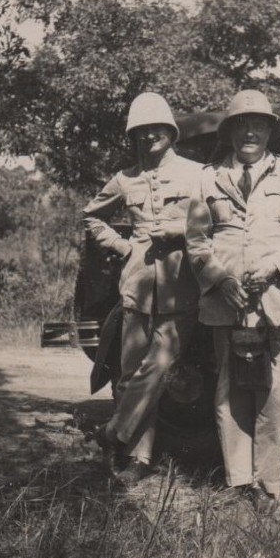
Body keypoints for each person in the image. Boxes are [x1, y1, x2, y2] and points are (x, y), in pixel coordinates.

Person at [185, 90, 280, 514]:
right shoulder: (208, 178)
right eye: (241, 124)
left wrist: (276, 267)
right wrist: (218, 279)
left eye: (258, 124)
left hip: (276, 298)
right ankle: (238, 480)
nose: (250, 131)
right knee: (229, 389)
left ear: (270, 131)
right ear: (230, 131)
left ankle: (268, 485)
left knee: (277, 393)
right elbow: (197, 240)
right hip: (228, 300)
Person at [82, 92, 201, 489]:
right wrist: (124, 246)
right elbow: (91, 216)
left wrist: (182, 231)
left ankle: (113, 431)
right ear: (134, 137)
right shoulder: (124, 179)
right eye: (141, 131)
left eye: (157, 129)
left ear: (171, 132)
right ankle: (138, 456)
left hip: (181, 285)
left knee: (162, 365)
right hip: (136, 285)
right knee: (130, 372)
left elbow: (220, 221)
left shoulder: (198, 174)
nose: (150, 136)